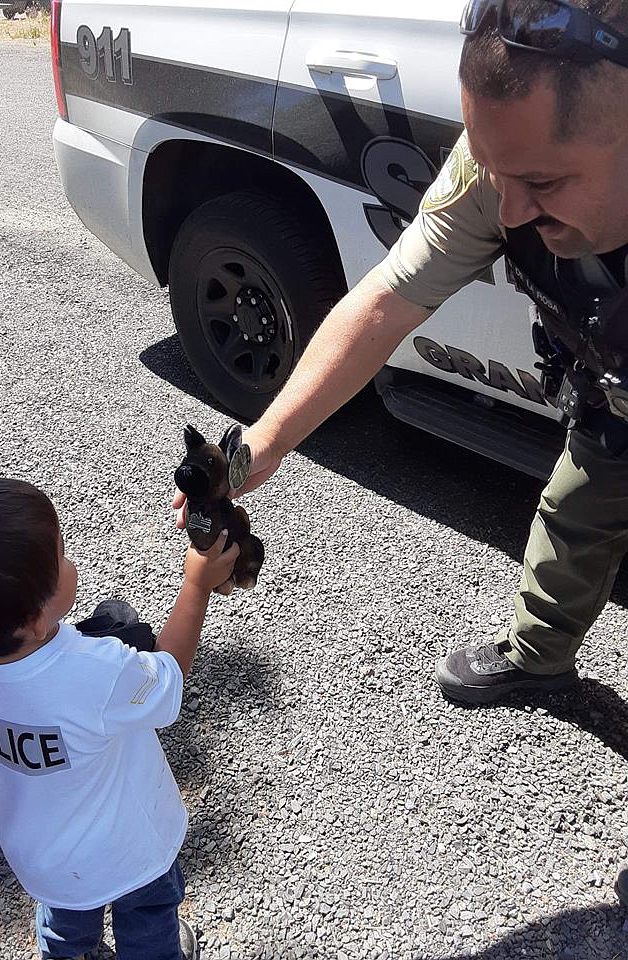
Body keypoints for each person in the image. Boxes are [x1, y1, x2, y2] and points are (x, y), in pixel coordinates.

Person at [172, 0, 628, 882]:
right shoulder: (498, 172)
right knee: (572, 518)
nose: (514, 210)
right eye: (495, 168)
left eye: (544, 181)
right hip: (611, 403)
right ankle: (537, 657)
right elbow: (386, 300)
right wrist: (255, 449)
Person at [0, 477, 239, 960]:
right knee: (148, 918)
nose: (71, 561)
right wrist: (196, 583)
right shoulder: (92, 672)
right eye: (61, 556)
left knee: (65, 918)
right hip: (130, 849)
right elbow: (168, 679)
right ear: (32, 621)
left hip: (41, 853)